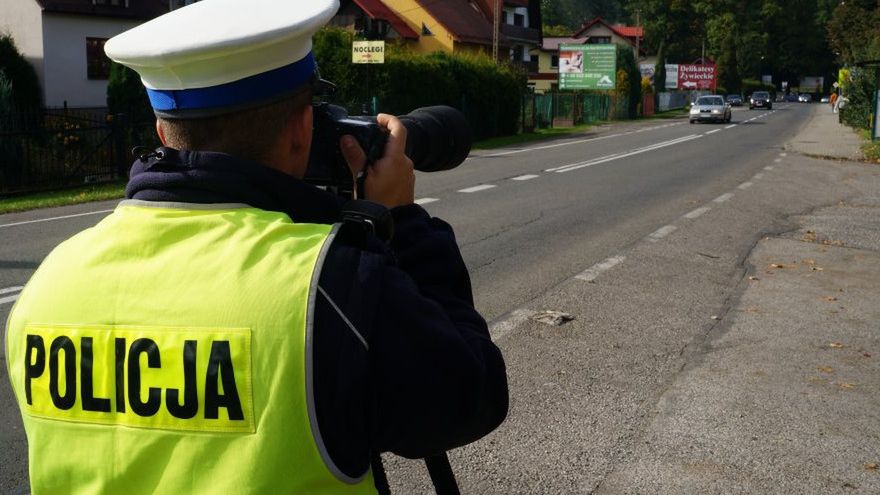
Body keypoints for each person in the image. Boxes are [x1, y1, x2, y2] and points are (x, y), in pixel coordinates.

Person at [4, 1, 508, 493]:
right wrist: (402, 220)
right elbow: (473, 393)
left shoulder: (45, 286)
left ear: (162, 130)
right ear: (302, 130)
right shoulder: (327, 287)